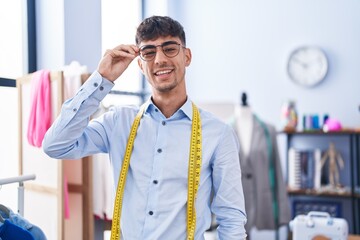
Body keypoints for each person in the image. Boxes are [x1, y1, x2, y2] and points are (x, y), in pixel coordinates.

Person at [43, 15, 247, 239]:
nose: (159, 59)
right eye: (149, 52)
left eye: (169, 48)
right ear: (140, 64)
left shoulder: (218, 134)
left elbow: (231, 218)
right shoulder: (118, 122)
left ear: (186, 56)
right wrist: (101, 79)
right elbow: (55, 145)